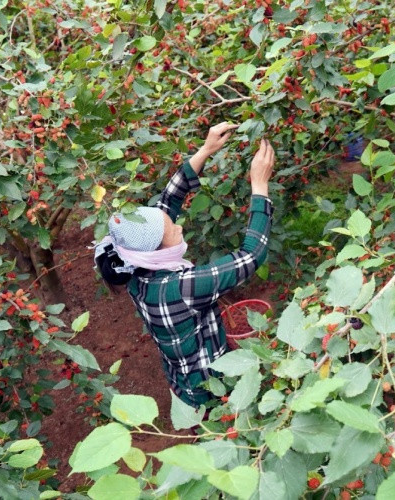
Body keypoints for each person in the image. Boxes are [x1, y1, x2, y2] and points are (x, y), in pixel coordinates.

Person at [93, 122, 275, 408]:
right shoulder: (179, 287)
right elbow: (250, 257)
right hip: (210, 390)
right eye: (172, 230)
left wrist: (207, 149)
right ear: (156, 250)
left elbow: (168, 200)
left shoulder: (134, 265)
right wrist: (260, 186)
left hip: (181, 379)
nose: (178, 227)